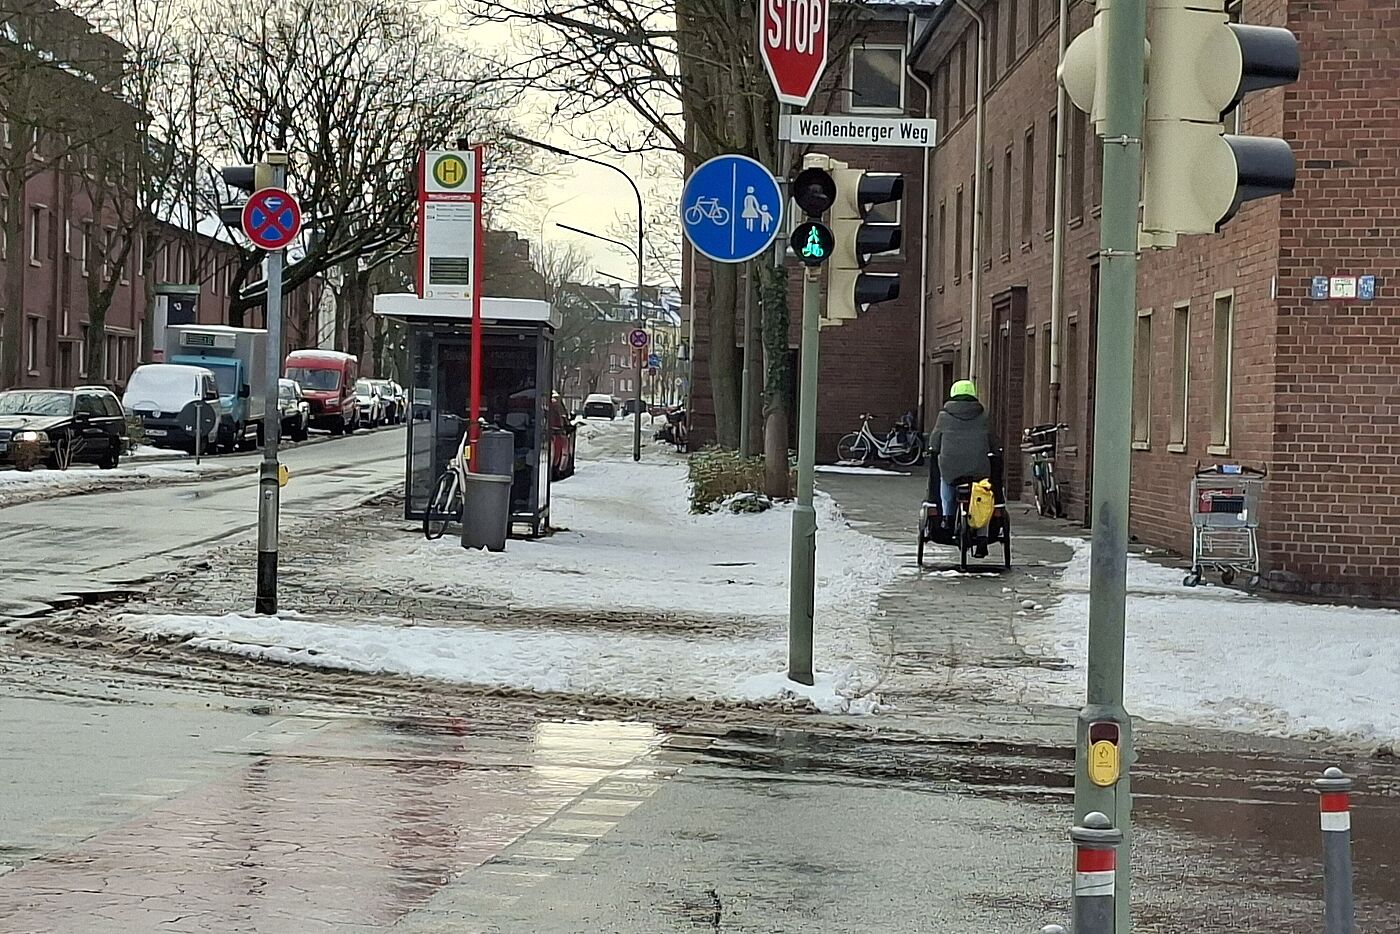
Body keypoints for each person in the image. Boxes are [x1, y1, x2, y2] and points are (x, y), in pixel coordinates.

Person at [929, 379, 998, 556]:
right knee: (982, 494)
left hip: (951, 466)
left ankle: (947, 517)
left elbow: (934, 441)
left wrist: (933, 449)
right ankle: (982, 537)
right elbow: (993, 441)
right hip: (978, 468)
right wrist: (995, 451)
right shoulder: (983, 415)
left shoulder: (943, 416)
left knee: (946, 482)